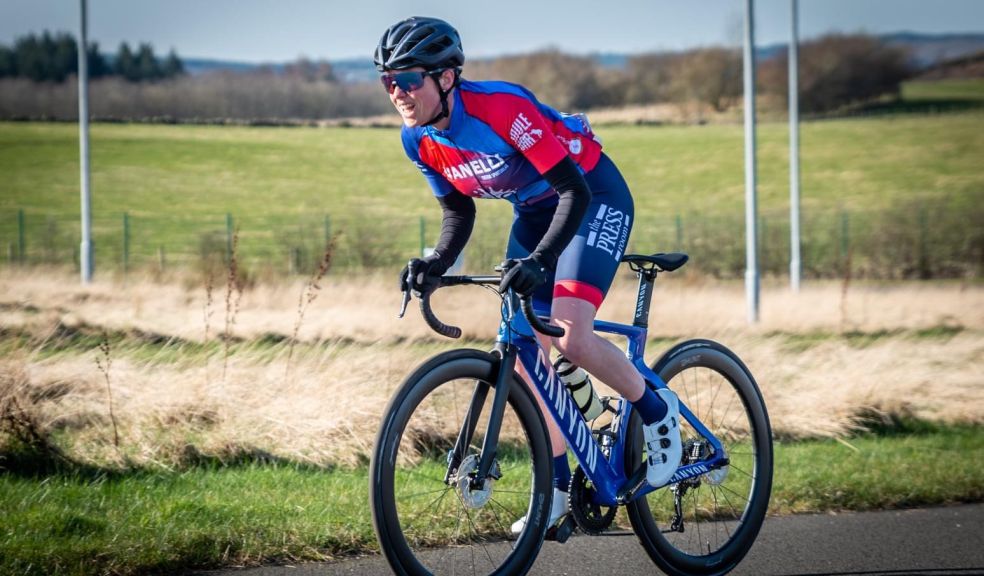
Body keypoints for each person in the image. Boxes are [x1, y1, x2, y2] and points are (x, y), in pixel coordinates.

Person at [376, 16, 682, 533]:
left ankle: (658, 413)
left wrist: (540, 261)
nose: (397, 92)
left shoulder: (501, 108)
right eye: (388, 81)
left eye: (408, 79)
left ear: (446, 77)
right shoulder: (419, 141)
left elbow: (574, 191)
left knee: (571, 334)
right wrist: (434, 264)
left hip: (591, 196)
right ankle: (556, 491)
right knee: (525, 357)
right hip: (538, 212)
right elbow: (458, 214)